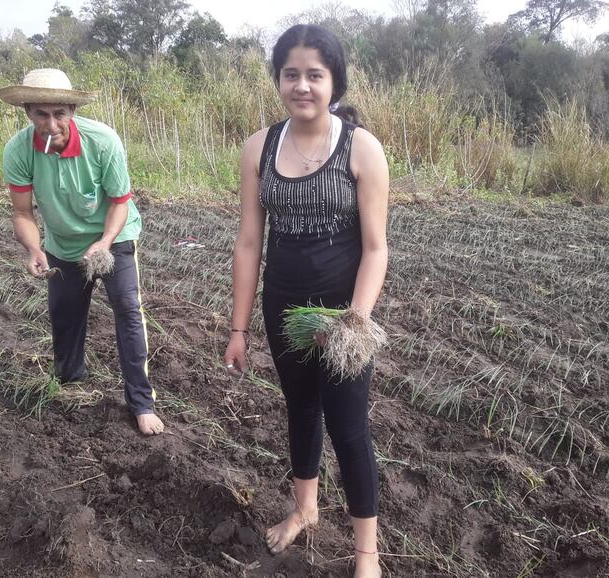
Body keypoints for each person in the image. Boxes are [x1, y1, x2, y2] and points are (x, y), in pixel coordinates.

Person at [224, 25, 389, 578]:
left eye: (314, 75)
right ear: (278, 80)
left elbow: (375, 248)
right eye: (291, 74)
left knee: (348, 426)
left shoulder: (361, 148)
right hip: (283, 310)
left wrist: (355, 322)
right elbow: (249, 243)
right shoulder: (259, 147)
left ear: (333, 81)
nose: (302, 86)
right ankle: (305, 510)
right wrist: (239, 329)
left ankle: (367, 553)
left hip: (344, 315)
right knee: (299, 407)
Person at [0, 68, 164, 435]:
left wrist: (104, 242)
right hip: (62, 244)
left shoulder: (102, 141)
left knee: (128, 309)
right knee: (64, 313)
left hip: (113, 236)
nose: (51, 123)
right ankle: (70, 380)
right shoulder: (18, 150)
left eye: (60, 113)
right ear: (27, 112)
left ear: (72, 110)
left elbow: (120, 202)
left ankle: (141, 402)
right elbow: (23, 213)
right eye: (41, 114)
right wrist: (34, 248)